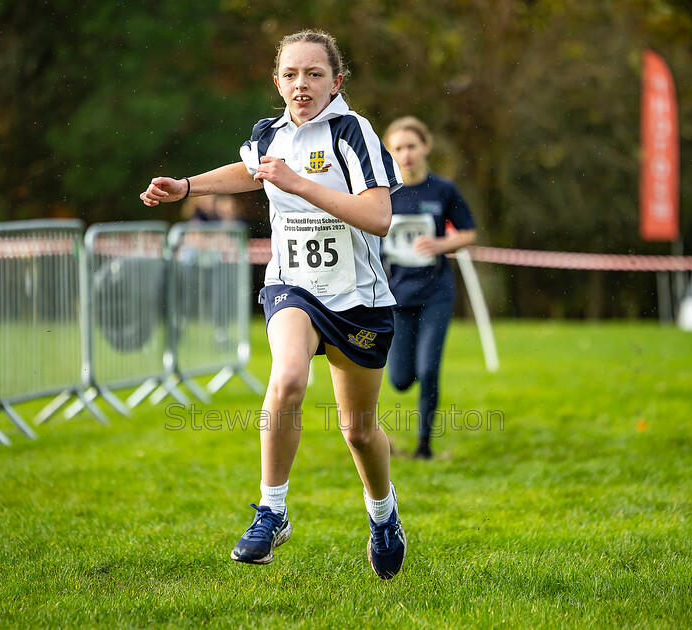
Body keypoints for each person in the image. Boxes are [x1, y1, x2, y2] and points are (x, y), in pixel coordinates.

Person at [140, 30, 406, 579]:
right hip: (293, 287)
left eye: (313, 74)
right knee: (286, 379)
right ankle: (272, 510)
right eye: (290, 74)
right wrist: (187, 186)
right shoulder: (270, 133)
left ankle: (383, 516)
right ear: (278, 82)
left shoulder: (352, 133)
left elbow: (379, 217)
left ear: (336, 81)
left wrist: (300, 185)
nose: (301, 84)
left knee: (358, 429)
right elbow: (250, 170)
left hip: (359, 299)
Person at [382, 117, 477, 460]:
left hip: (436, 292)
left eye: (411, 146)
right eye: (397, 147)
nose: (405, 154)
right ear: (388, 152)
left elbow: (469, 233)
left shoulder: (443, 190)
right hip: (395, 295)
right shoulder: (382, 191)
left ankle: (424, 447)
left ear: (426, 147)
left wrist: (441, 244)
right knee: (401, 379)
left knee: (428, 370)